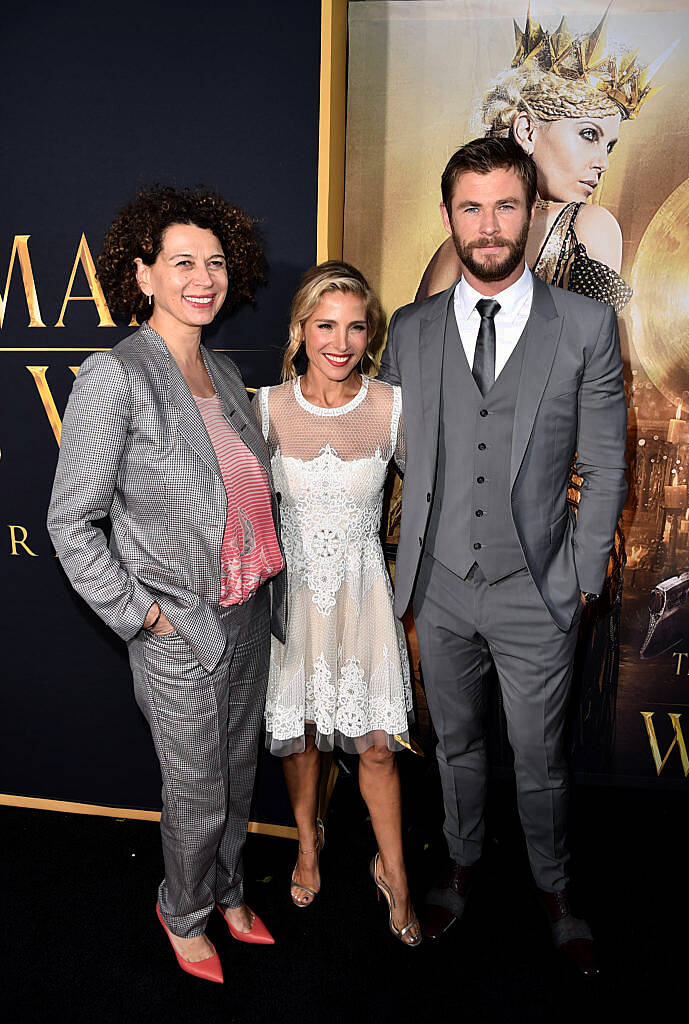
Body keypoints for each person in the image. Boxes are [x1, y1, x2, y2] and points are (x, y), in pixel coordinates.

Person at [379, 137, 627, 975]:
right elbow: (390, 450)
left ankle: (555, 889)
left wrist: (580, 582)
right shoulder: (408, 331)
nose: (488, 225)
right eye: (470, 208)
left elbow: (605, 461)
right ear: (448, 217)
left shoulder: (587, 324)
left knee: (539, 758)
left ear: (531, 211)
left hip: (538, 590)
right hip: (439, 588)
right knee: (453, 748)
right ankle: (458, 865)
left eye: (504, 205)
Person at [47, 186, 286, 983]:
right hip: (180, 625)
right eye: (182, 261)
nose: (203, 277)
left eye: (216, 262)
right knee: (196, 792)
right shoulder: (117, 376)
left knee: (238, 774)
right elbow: (69, 522)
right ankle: (180, 910)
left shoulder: (220, 368)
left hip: (250, 611)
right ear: (143, 274)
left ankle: (225, 890)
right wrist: (142, 616)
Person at [254, 261, 420, 946]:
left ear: (369, 335)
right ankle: (306, 841)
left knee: (376, 748)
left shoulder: (391, 407)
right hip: (293, 602)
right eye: (325, 325)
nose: (340, 341)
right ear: (300, 330)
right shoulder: (261, 406)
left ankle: (396, 871)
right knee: (302, 740)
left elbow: (439, 500)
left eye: (355, 327)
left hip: (362, 602)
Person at [417, 7, 668, 312]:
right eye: (589, 135)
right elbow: (593, 353)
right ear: (526, 131)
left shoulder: (450, 249)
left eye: (609, 146)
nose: (603, 163)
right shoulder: (587, 227)